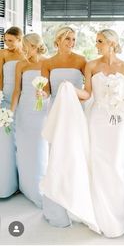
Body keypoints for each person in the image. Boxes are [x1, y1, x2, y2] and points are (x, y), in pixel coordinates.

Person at [76, 29, 124, 238]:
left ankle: (118, 212)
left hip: (118, 121)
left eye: (99, 41)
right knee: (99, 162)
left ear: (111, 42)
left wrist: (122, 111)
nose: (96, 44)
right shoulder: (91, 65)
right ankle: (99, 215)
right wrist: (71, 90)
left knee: (116, 162)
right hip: (97, 118)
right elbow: (87, 94)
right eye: (96, 41)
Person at [39, 26, 86, 227]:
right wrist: (41, 94)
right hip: (56, 112)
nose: (71, 43)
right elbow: (47, 91)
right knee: (56, 154)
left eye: (73, 39)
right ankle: (57, 202)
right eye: (67, 39)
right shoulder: (48, 63)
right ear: (57, 41)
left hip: (75, 113)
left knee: (74, 154)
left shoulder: (81, 60)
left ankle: (76, 201)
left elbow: (88, 91)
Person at [10, 33, 49, 208]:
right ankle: (26, 187)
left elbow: (49, 90)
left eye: (27, 47)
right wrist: (11, 112)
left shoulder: (47, 63)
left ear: (35, 46)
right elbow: (17, 91)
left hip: (41, 110)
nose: (24, 50)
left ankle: (40, 187)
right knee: (24, 148)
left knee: (39, 147)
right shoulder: (21, 65)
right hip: (24, 110)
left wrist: (43, 94)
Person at [0, 26, 24, 198]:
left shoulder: (26, 55)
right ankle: (8, 183)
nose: (7, 43)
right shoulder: (3, 54)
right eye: (5, 40)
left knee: (22, 141)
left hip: (24, 100)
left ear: (20, 40)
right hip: (6, 100)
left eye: (10, 40)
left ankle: (24, 182)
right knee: (6, 141)